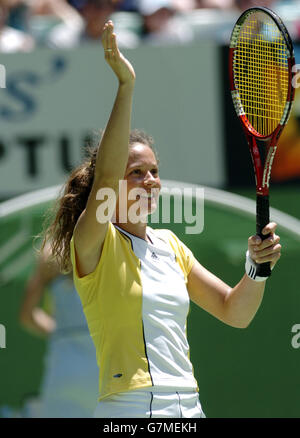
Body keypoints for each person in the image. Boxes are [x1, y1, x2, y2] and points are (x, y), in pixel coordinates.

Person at [42, 21, 282, 418]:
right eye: (135, 171)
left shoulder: (170, 245)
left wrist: (257, 270)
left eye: (154, 171)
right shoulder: (95, 242)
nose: (150, 180)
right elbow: (105, 175)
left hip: (189, 403)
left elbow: (234, 312)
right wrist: (126, 86)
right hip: (132, 408)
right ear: (112, 182)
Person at [19, 244, 99, 418]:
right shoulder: (112, 249)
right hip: (103, 370)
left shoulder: (52, 252)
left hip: (63, 367)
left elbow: (27, 317)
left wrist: (61, 333)